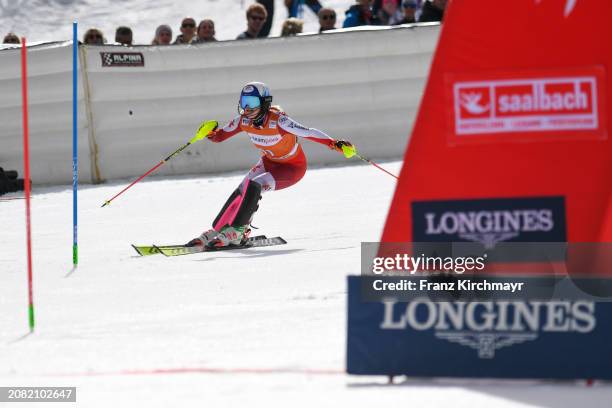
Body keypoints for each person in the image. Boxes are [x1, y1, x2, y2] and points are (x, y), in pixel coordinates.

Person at [187, 82, 356, 248]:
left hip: (291, 168)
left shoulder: (280, 121)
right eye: (244, 102)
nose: (247, 108)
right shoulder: (243, 121)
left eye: (252, 103)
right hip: (269, 163)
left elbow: (308, 132)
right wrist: (210, 133)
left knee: (256, 185)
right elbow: (220, 137)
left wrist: (334, 144)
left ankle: (238, 230)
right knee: (243, 187)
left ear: (265, 103)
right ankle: (217, 230)